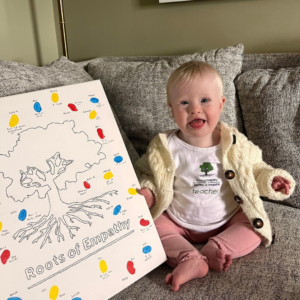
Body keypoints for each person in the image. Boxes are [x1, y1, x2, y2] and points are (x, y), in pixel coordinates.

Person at [135, 60, 296, 292]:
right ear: (171, 109)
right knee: (150, 227)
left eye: (204, 100)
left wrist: (270, 179)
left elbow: (255, 168)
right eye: (184, 103)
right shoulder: (164, 145)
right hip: (177, 219)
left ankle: (217, 247)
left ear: (221, 105)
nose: (194, 109)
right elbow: (147, 172)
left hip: (228, 218)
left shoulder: (233, 141)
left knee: (255, 226)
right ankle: (189, 258)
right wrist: (148, 192)